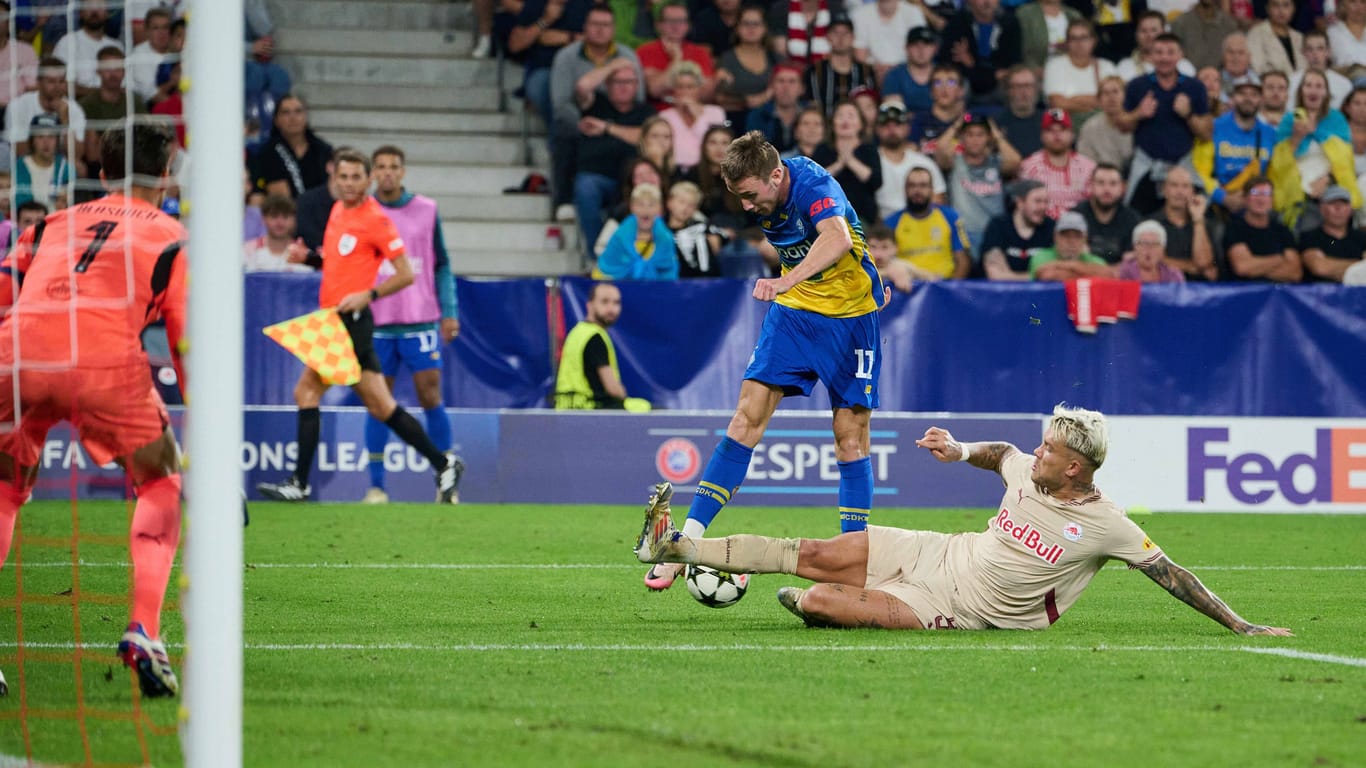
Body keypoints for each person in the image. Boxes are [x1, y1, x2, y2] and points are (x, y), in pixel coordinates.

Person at [634, 405, 1293, 636]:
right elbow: (1002, 453)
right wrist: (957, 451)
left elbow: (1170, 575)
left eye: (1050, 451)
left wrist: (1239, 622)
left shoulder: (1107, 524)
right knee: (808, 550)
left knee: (825, 601)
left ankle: (819, 605)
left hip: (957, 606)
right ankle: (673, 544)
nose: (1036, 453)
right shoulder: (1026, 469)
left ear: (1075, 470)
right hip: (931, 550)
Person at [642, 130, 887, 591]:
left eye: (751, 196)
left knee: (849, 439)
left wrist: (785, 280)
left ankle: (853, 564)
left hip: (851, 319)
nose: (747, 207)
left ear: (776, 176)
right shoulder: (761, 193)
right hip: (794, 317)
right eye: (738, 197)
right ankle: (683, 545)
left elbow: (835, 238)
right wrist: (792, 289)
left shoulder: (814, 184)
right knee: (745, 419)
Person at [0, 122, 189, 698]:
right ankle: (143, 632)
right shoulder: (173, 236)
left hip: (15, 355)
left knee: (5, 490)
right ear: (167, 176)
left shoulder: (49, 224)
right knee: (160, 481)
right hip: (103, 363)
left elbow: (5, 296)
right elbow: (185, 343)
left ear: (101, 174)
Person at [256, 149, 463, 504]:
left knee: (306, 393)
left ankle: (299, 482)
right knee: (382, 407)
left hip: (349, 321)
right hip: (339, 318)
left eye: (356, 177)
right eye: (343, 177)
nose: (349, 184)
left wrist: (368, 294)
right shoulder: (338, 210)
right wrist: (310, 259)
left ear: (367, 181)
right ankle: (443, 463)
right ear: (333, 179)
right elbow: (339, 263)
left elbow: (406, 274)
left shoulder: (376, 220)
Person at [361, 145, 465, 505]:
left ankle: (445, 482)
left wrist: (449, 310)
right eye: (381, 167)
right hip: (376, 321)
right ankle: (376, 487)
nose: (387, 173)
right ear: (373, 173)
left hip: (420, 319)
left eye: (394, 167)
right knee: (377, 402)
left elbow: (442, 263)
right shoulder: (362, 211)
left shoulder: (426, 209)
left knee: (430, 396)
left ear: (403, 171)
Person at [1116, 33, 1212, 215]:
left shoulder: (1194, 87)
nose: (1165, 58)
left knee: (1202, 211)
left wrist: (1188, 114)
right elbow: (1122, 125)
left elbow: (1206, 133)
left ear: (1180, 55)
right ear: (1151, 55)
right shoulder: (1138, 85)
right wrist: (1139, 113)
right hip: (1146, 162)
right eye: (1159, 52)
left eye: (1170, 52)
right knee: (1130, 213)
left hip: (1183, 163)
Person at [1269, 69, 1359, 232]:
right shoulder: (1290, 119)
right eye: (1308, 85)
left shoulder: (1336, 119)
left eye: (1319, 86)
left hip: (1330, 182)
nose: (1313, 90)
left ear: (1325, 93)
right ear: (1301, 91)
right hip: (1295, 182)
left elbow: (1344, 160)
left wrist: (1327, 180)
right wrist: (1296, 137)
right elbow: (1279, 162)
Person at [1193, 72, 1275, 216]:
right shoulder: (1214, 128)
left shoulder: (1270, 134)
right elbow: (1199, 172)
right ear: (1232, 98)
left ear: (1261, 100)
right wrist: (1223, 198)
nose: (1248, 99)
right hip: (1218, 205)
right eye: (1242, 93)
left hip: (1257, 206)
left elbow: (1274, 175)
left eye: (1254, 94)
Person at [554, 281, 644, 409]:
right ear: (589, 305)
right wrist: (622, 393)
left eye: (616, 303)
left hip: (569, 408)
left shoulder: (578, 332)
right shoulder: (594, 337)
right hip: (591, 410)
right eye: (605, 302)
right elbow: (613, 389)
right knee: (647, 409)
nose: (611, 308)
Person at [936, 112, 1016, 256]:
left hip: (994, 234)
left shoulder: (996, 162)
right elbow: (940, 150)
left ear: (988, 137)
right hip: (963, 235)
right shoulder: (955, 162)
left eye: (980, 135)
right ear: (961, 138)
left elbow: (1016, 162)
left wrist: (996, 135)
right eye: (970, 134)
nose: (975, 140)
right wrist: (956, 126)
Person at [885, 166, 972, 280]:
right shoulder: (891, 222)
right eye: (912, 186)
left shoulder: (951, 216)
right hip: (906, 290)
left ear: (931, 189)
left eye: (923, 185)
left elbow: (963, 261)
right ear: (905, 190)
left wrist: (950, 290)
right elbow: (884, 261)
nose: (917, 191)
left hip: (944, 287)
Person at [78, 46, 148, 180]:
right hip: (100, 170)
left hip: (133, 167)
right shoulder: (87, 104)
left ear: (124, 71)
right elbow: (92, 154)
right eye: (108, 69)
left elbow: (145, 139)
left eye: (118, 69)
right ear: (98, 71)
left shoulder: (134, 101)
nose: (113, 74)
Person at [936, 0, 1021, 108]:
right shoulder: (958, 22)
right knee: (955, 85)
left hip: (1000, 83)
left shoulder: (1010, 23)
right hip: (967, 80)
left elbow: (1012, 63)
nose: (987, 2)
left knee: (1017, 85)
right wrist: (991, 73)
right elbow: (950, 60)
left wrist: (971, 64)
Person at [811, 99, 883, 223]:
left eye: (851, 116)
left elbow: (876, 181)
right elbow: (814, 181)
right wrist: (839, 164)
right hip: (828, 217)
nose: (845, 121)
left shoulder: (869, 149)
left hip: (863, 218)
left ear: (861, 124)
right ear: (833, 123)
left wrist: (850, 160)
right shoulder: (823, 149)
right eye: (840, 115)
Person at [873, 99, 946, 220]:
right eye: (886, 125)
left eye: (897, 124)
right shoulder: (868, 162)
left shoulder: (924, 163)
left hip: (920, 226)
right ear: (877, 129)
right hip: (880, 229)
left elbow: (938, 202)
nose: (892, 130)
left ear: (908, 128)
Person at [1019, 108, 1097, 221]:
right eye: (1050, 130)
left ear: (1072, 134)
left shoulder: (1088, 167)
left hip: (1078, 229)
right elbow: (1026, 207)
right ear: (1041, 135)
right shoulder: (1029, 166)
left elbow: (1093, 207)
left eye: (1062, 130)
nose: (1057, 135)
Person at [1221, 175, 1303, 282]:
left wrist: (1256, 266)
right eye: (1255, 193)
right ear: (1245, 199)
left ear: (1272, 200)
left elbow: (1295, 273)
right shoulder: (1234, 228)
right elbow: (1242, 267)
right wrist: (1279, 259)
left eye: (1266, 194)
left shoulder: (1282, 231)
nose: (1261, 199)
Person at [593, 182, 679, 280]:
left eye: (651, 205)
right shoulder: (619, 238)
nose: (645, 210)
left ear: (659, 209)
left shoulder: (666, 239)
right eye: (640, 204)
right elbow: (605, 269)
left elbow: (669, 274)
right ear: (632, 207)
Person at [1146, 165, 1219, 281]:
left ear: (1192, 191)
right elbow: (1153, 261)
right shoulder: (1150, 223)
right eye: (1174, 185)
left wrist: (1198, 220)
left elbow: (1204, 263)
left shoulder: (1206, 224)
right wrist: (1192, 266)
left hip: (1199, 293)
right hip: (1163, 290)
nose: (1180, 192)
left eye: (1185, 186)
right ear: (1164, 190)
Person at [713, 6, 779, 131]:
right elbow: (720, 97)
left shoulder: (775, 57)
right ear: (737, 28)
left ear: (765, 28)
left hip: (768, 121)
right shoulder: (727, 59)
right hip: (735, 121)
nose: (751, 28)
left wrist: (765, 97)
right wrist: (744, 101)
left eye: (756, 23)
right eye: (745, 23)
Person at [256, 94, 333, 200]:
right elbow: (280, 197)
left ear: (306, 117)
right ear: (276, 120)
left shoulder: (323, 150)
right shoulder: (268, 152)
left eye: (298, 111)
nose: (293, 118)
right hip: (285, 213)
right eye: (286, 113)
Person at [1043, 19, 1117, 126]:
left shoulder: (1107, 66)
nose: (1079, 43)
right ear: (1067, 42)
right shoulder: (1054, 65)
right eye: (1074, 38)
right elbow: (1057, 103)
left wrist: (1073, 100)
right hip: (1065, 127)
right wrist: (1095, 102)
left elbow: (1114, 102)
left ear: (1093, 41)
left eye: (1084, 38)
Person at [659, 61, 726, 171]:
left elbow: (715, 145)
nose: (684, 92)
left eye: (690, 87)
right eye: (680, 87)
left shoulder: (715, 113)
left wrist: (698, 117)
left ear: (699, 89)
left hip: (708, 171)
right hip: (675, 171)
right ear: (674, 90)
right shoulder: (665, 116)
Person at [982, 179, 1055, 280]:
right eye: (1037, 201)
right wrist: (1036, 277)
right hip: (1003, 294)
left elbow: (1056, 274)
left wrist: (1009, 275)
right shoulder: (998, 225)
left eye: (1046, 202)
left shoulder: (1051, 226)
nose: (1043, 207)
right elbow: (996, 276)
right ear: (1020, 202)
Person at [802, 15, 874, 116]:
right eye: (835, 33)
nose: (841, 38)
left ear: (853, 37)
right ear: (827, 37)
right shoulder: (814, 72)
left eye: (846, 33)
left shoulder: (866, 71)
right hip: (823, 129)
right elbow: (810, 107)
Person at [1072, 163, 1142, 265]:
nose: (1107, 189)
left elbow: (1132, 260)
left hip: (1120, 278)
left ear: (1123, 188)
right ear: (1091, 186)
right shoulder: (1076, 216)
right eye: (1100, 183)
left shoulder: (1133, 219)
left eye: (1113, 184)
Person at [51, 0, 120, 98]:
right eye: (89, 6)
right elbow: (61, 85)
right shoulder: (67, 42)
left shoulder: (117, 46)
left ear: (107, 13)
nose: (94, 11)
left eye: (99, 7)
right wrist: (101, 94)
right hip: (77, 106)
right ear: (81, 13)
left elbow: (124, 86)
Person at [1299, 185, 1366, 282]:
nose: (1338, 208)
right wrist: (1361, 266)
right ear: (1321, 209)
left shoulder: (1362, 238)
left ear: (1351, 209)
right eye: (1332, 203)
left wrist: (1333, 266)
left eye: (1343, 203)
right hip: (1320, 295)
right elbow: (1320, 267)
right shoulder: (1310, 237)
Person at [851, 0, 927, 84]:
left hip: (907, 73)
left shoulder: (913, 13)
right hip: (872, 74)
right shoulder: (860, 14)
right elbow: (859, 54)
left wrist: (895, 71)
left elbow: (921, 50)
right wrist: (876, 69)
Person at [1030, 211, 1115, 280]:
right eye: (1065, 235)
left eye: (1077, 236)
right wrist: (1088, 271)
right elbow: (1047, 276)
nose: (1071, 241)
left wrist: (1066, 265)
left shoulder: (1095, 260)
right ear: (1055, 237)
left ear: (1085, 239)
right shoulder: (1040, 256)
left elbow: (1108, 275)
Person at [13, 113, 72, 211]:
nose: (46, 142)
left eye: (51, 137)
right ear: (32, 140)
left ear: (58, 140)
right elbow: (21, 205)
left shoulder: (66, 168)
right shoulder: (20, 166)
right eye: (40, 136)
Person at [744, 63, 806, 154]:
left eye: (792, 81)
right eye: (781, 81)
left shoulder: (811, 114)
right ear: (772, 87)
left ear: (802, 89)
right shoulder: (757, 115)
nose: (786, 87)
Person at [242, 193, 313, 273]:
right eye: (274, 216)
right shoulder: (246, 251)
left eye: (285, 217)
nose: (280, 223)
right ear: (263, 219)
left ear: (294, 220)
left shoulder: (304, 254)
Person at [1077, 76, 1134, 172]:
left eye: (1115, 92)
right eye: (1106, 93)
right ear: (1099, 101)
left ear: (1126, 96)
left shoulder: (1135, 123)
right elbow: (1085, 162)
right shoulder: (1089, 127)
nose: (1111, 98)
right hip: (1098, 178)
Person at [881, 26, 938, 119]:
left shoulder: (945, 74)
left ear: (935, 48)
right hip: (906, 130)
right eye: (915, 45)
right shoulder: (895, 75)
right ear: (906, 48)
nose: (921, 50)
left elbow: (954, 108)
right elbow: (894, 113)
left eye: (926, 44)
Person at [1289, 32, 1353, 111]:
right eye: (1310, 49)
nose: (1315, 54)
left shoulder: (1344, 84)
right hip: (1301, 122)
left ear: (1328, 52)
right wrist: (1304, 121)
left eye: (1320, 48)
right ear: (1303, 52)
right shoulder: (1292, 81)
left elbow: (1347, 114)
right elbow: (1292, 109)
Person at [992, 65, 1044, 159]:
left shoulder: (1048, 122)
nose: (1023, 92)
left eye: (1028, 86)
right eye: (1018, 86)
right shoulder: (995, 124)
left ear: (1037, 89)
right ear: (1008, 90)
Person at [1170, 0, 1237, 72]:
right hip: (1188, 77)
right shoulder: (1181, 22)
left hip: (1221, 79)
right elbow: (1173, 54)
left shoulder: (1229, 25)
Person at [1118, 220, 1187, 282]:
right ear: (1135, 247)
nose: (1149, 249)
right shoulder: (1124, 272)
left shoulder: (1173, 275)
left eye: (1155, 244)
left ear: (1163, 249)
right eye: (1144, 243)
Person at [1247, 0, 1301, 77]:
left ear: (1293, 9)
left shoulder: (1299, 37)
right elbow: (1258, 68)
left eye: (1286, 5)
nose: (1281, 11)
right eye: (1275, 5)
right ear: (1267, 9)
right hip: (1271, 85)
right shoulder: (1256, 34)